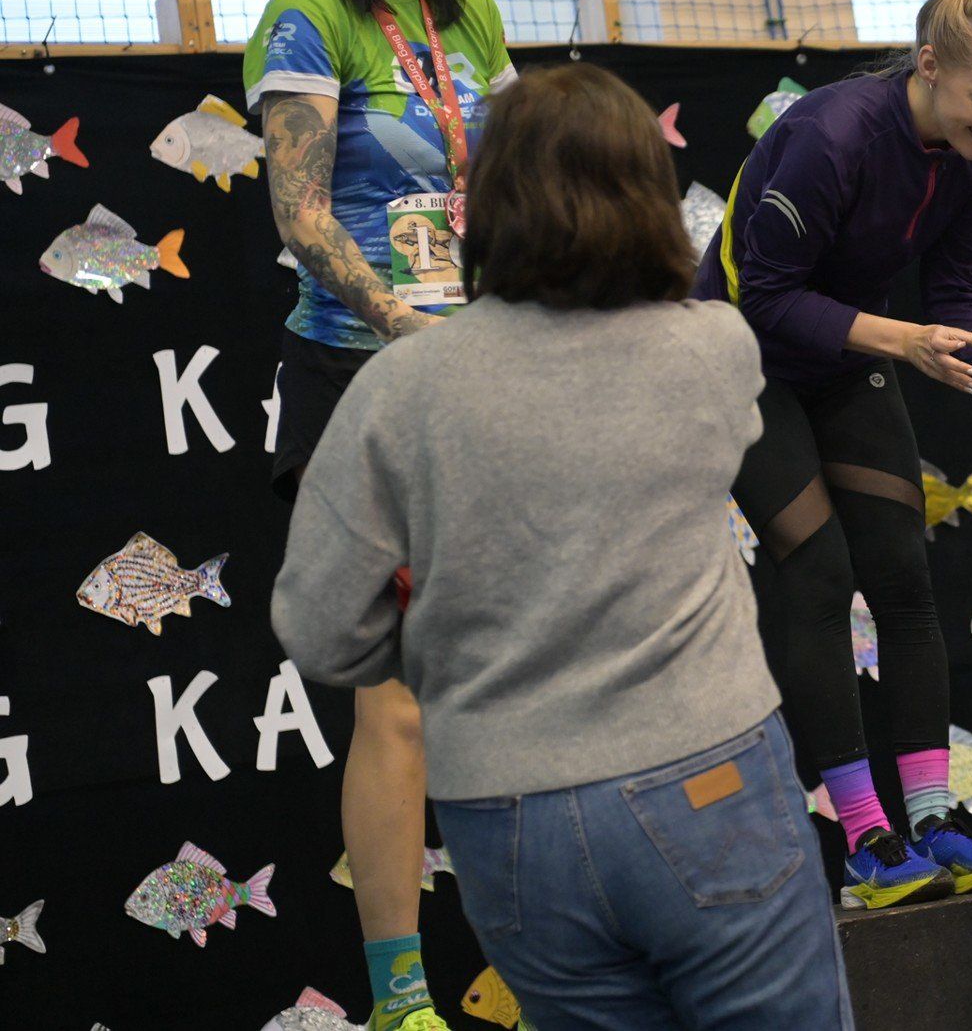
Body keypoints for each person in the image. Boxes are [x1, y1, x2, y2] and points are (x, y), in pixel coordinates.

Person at [272, 63, 855, 1031]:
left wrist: (455, 658)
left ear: (484, 204)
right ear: (651, 196)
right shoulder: (715, 348)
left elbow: (318, 625)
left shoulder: (399, 390)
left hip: (507, 821)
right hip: (707, 781)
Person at [692, 0, 972, 908]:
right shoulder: (831, 137)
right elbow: (762, 298)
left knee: (904, 578)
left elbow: (950, 295)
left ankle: (932, 826)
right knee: (818, 572)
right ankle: (865, 844)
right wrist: (905, 345)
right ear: (930, 66)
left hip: (849, 354)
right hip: (740, 358)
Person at [243, 0, 514, 1027]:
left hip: (482, 378)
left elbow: (516, 184)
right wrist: (407, 323)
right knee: (395, 698)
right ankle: (402, 998)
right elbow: (300, 215)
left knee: (519, 677)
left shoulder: (475, 20)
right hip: (358, 382)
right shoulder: (307, 18)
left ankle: (550, 955)